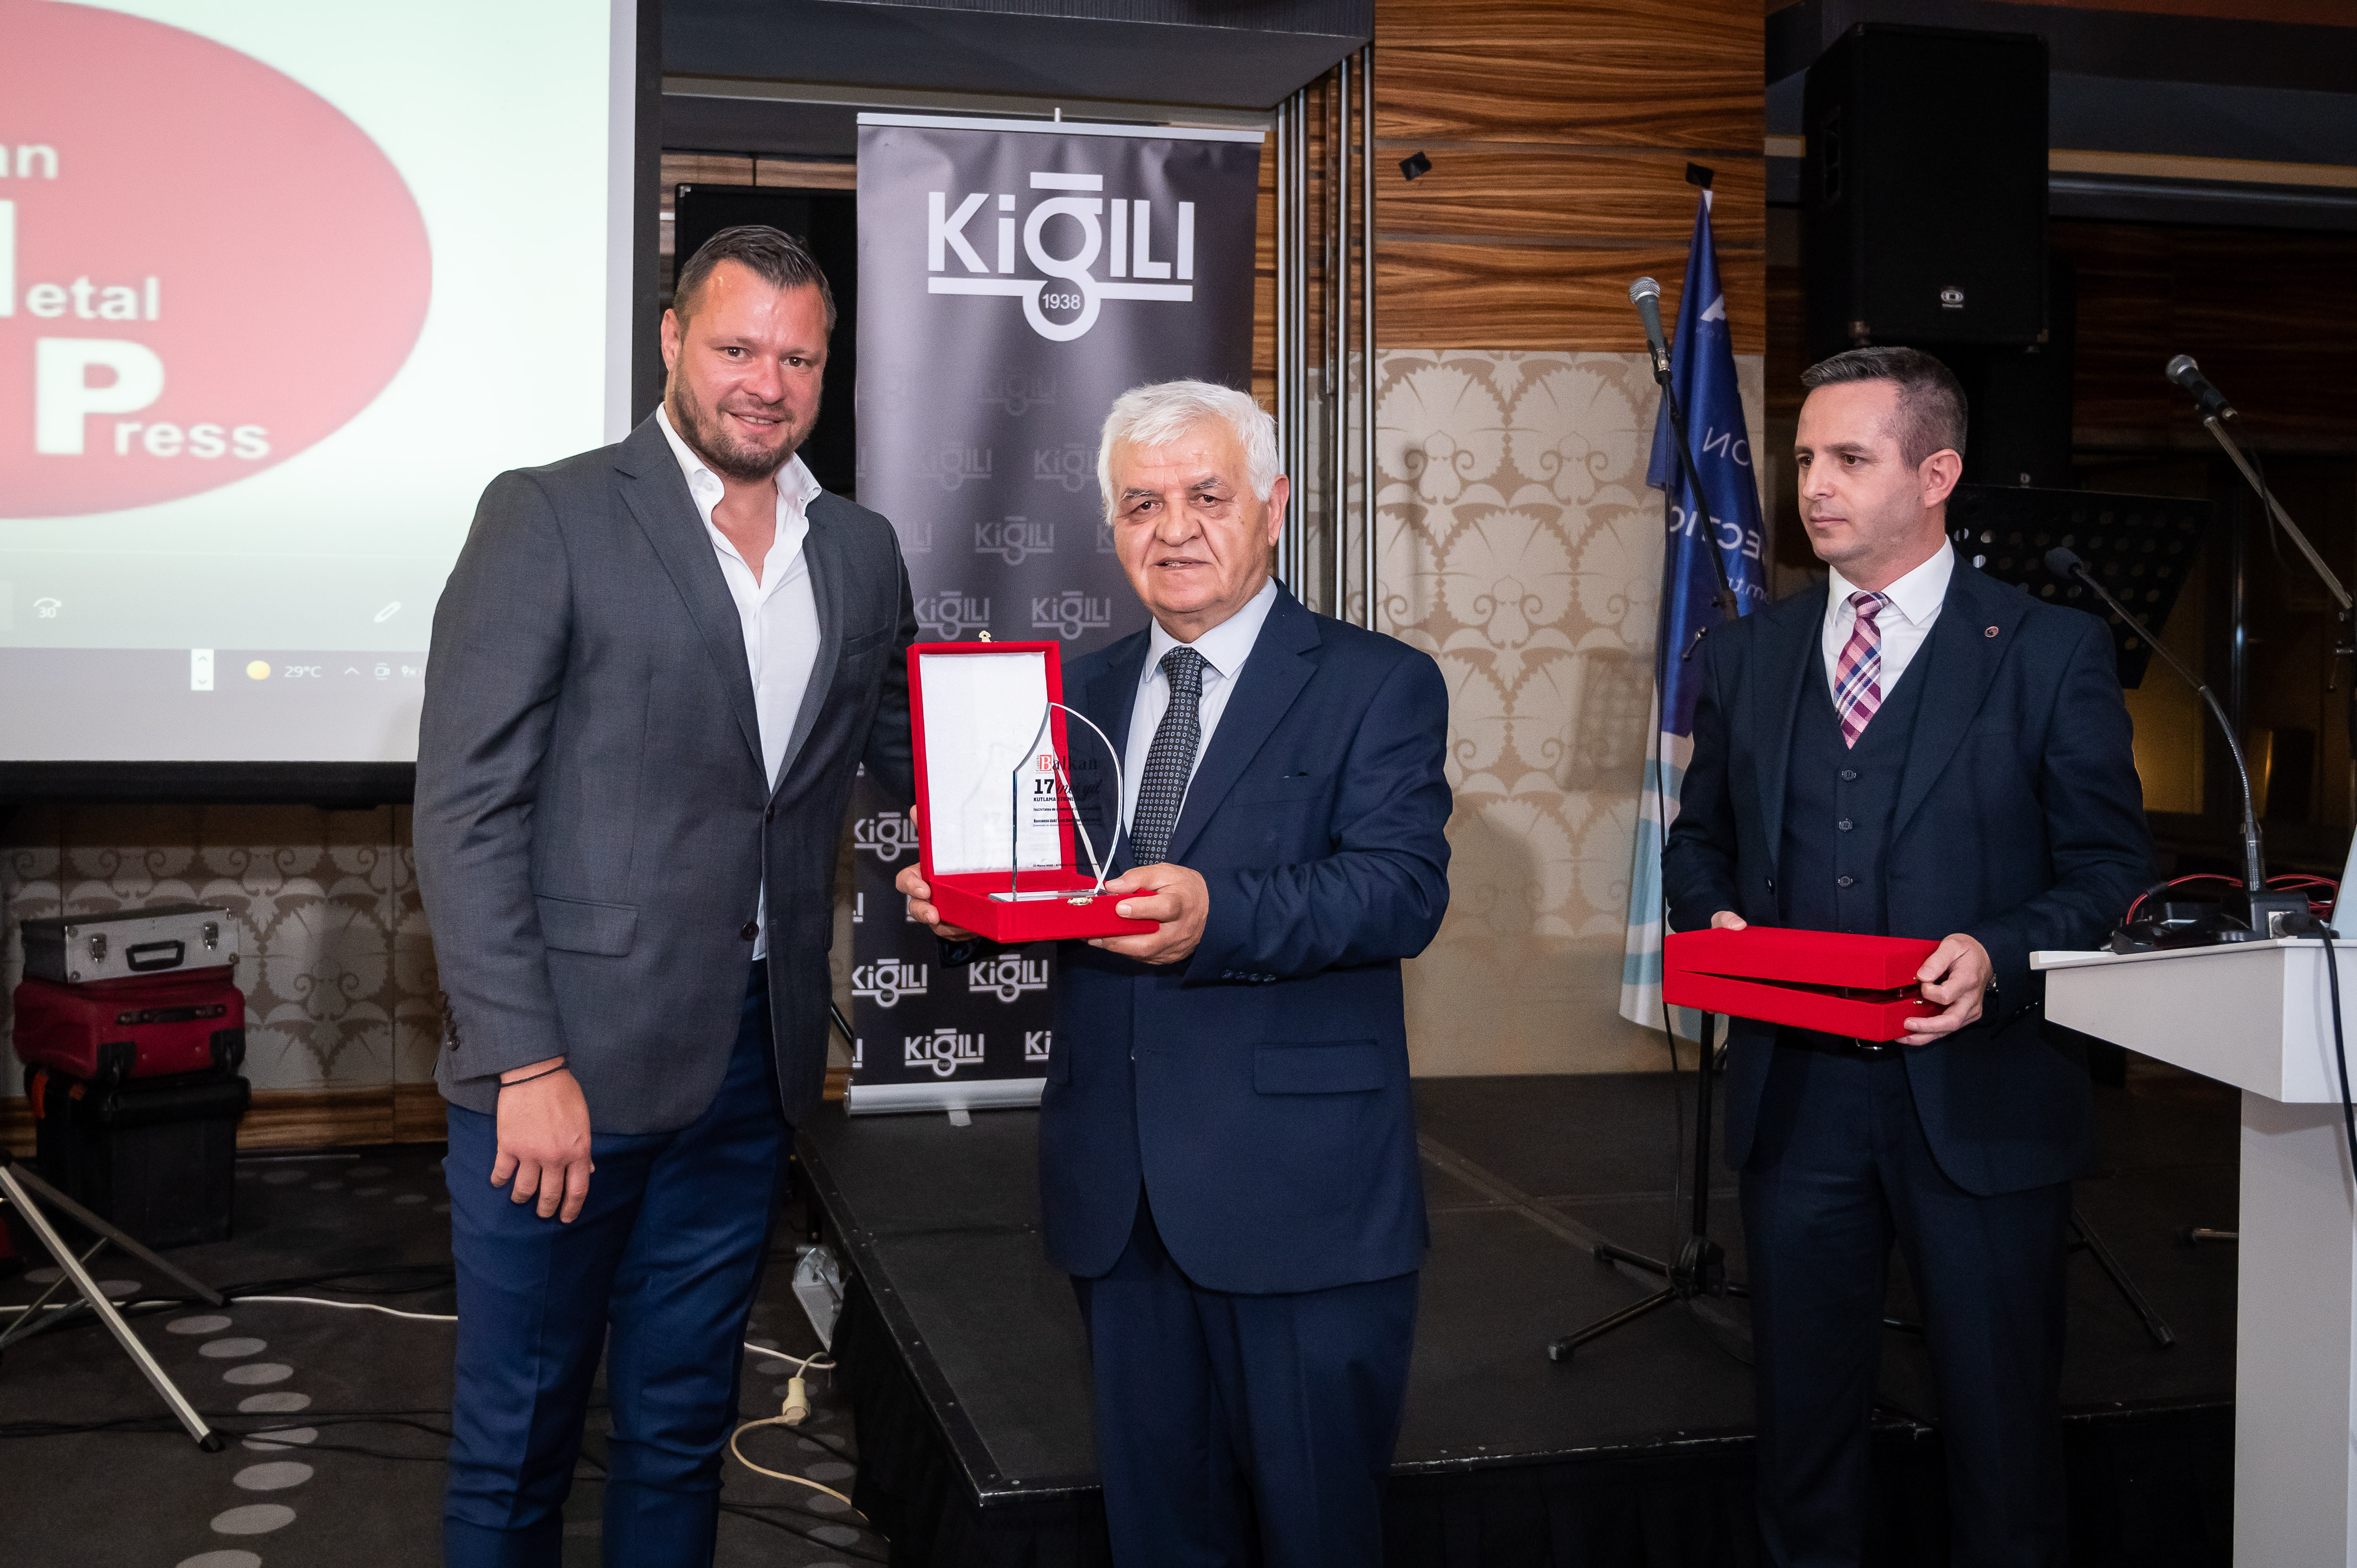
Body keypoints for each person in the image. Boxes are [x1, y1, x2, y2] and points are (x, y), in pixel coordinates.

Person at [414, 225, 917, 1567]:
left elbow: (901, 749)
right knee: (518, 1446)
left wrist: (987, 838)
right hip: (562, 1069)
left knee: (685, 1426)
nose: (768, 382)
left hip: (752, 1067)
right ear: (673, 341)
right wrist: (525, 1061)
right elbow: (466, 809)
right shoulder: (552, 514)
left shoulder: (859, 548)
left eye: (798, 358)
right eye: (738, 347)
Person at [896, 380, 1452, 1566]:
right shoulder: (1076, 693)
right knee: (1158, 1539)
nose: (1175, 529)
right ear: (1112, 526)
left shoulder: (1377, 683)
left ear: (1275, 506)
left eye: (1208, 495)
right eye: (1142, 504)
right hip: (1117, 1195)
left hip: (1300, 1201)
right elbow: (1062, 896)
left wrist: (1218, 916)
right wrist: (967, 908)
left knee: (1319, 1534)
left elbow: (1402, 890)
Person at [1663, 346, 2152, 1566]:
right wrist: (1712, 916)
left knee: (2002, 1436)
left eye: (1849, 458)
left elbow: (2110, 870)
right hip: (1798, 1104)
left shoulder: (2049, 651)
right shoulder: (1750, 653)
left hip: (1983, 1100)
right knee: (1802, 1437)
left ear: (1938, 474)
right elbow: (1699, 842)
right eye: (1804, 458)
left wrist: (1998, 952)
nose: (1812, 484)